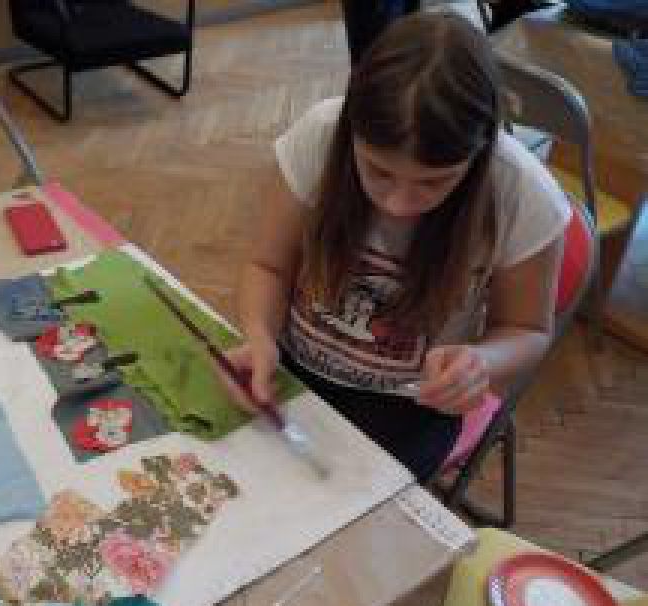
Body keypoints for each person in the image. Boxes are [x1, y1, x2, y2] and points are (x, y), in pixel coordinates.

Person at [219, 13, 571, 482]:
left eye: (434, 181)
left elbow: (527, 329)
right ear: (351, 131)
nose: (399, 204)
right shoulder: (321, 135)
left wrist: (481, 363)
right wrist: (259, 336)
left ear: (480, 151)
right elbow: (268, 265)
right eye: (378, 171)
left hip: (411, 404)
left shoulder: (523, 194)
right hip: (293, 365)